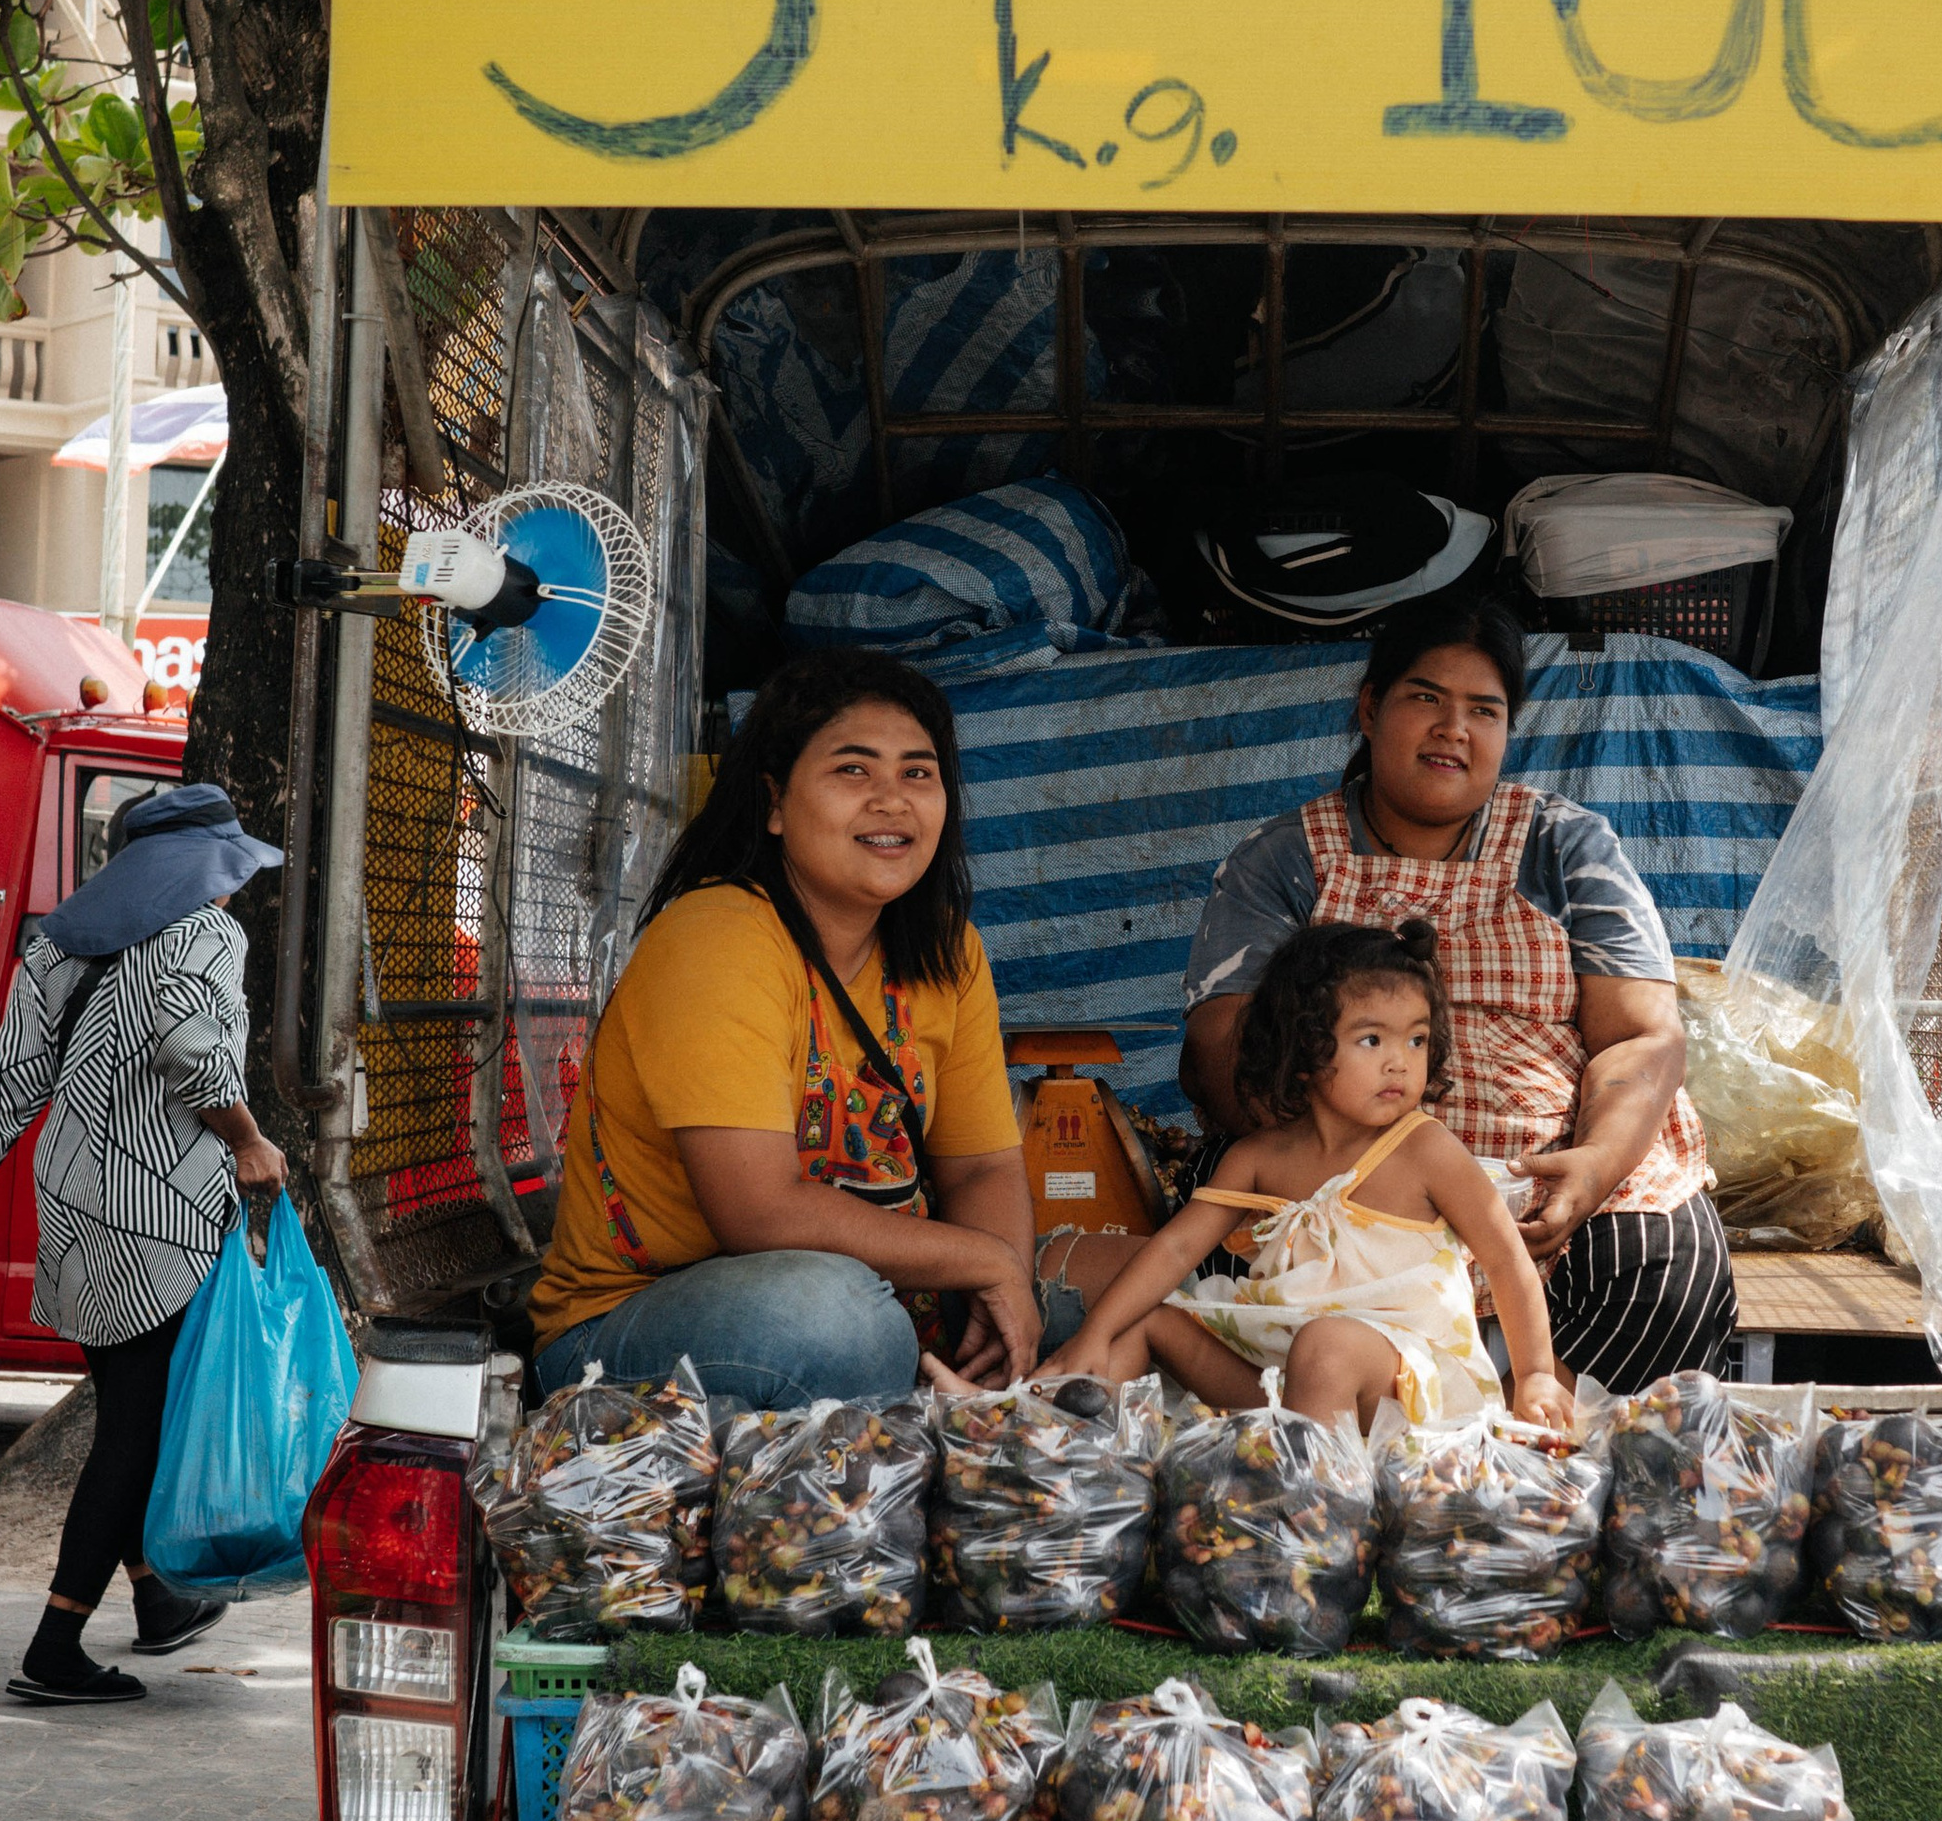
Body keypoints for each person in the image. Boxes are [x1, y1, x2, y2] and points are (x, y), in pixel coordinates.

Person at [1176, 591, 1735, 1395]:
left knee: (1668, 1276)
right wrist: (1356, 1171)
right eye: (1425, 698)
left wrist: (1591, 1169)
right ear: (1370, 710)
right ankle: (1359, 1412)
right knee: (1226, 1227)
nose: (1454, 729)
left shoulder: (1566, 845)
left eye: (1484, 709)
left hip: (1539, 1174)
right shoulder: (1285, 859)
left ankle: (1516, 1439)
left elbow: (1643, 1038)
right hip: (1335, 1167)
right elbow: (1218, 1047)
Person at [530, 649, 1038, 1410]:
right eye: (854, 771)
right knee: (835, 1321)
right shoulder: (718, 936)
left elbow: (982, 1172)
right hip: (631, 1323)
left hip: (885, 1294)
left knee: (1115, 1286)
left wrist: (1010, 1298)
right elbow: (759, 1210)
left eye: (918, 773)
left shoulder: (948, 950)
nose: (892, 801)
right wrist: (989, 1266)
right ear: (774, 802)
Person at [0, 780, 289, 1710]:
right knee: (134, 1433)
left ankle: (158, 1603)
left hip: (74, 1207)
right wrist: (248, 1139)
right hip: (161, 1215)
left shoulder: (53, 943)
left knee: (129, 1406)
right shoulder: (203, 934)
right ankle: (55, 1646)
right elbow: (195, 1053)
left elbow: (13, 1073)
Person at [1044, 915, 1564, 1432]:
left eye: (1417, 1040)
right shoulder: (1258, 1157)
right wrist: (1094, 1333)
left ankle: (1309, 1499)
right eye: (1371, 1040)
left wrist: (1537, 1372)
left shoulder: (1425, 1149)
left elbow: (1505, 1260)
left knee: (1327, 1344)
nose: (1400, 1064)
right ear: (1303, 1051)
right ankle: (1072, 1462)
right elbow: (1175, 1250)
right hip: (1281, 1372)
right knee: (1148, 1322)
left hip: (1399, 1384)